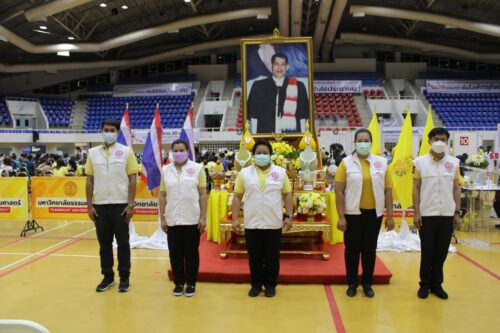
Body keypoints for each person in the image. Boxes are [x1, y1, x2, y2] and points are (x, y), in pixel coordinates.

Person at [334, 128, 394, 298]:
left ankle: (367, 283)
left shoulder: (382, 163)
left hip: (373, 215)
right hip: (352, 214)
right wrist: (341, 216)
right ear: (355, 143)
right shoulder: (345, 163)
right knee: (352, 250)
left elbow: (388, 191)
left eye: (366, 140)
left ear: (371, 142)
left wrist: (390, 216)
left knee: (369, 250)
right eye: (359, 140)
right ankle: (352, 283)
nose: (363, 143)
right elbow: (339, 191)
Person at [231, 140, 294, 298]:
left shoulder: (280, 172)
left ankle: (271, 284)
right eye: (258, 153)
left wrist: (289, 216)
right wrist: (235, 219)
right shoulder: (244, 173)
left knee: (272, 257)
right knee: (254, 256)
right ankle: (256, 284)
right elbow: (237, 196)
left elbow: (287, 194)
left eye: (265, 153)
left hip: (273, 223)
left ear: (270, 155)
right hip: (252, 222)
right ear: (253, 155)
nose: (262, 155)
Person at [85, 118, 139, 293]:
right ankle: (107, 277)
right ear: (101, 131)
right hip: (100, 206)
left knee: (123, 244)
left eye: (112, 130)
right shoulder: (92, 153)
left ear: (117, 132)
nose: (108, 133)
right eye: (106, 130)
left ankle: (124, 277)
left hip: (121, 206)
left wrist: (130, 204)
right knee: (104, 245)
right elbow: (89, 180)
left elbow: (132, 179)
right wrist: (89, 205)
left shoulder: (126, 151)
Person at [413, 127, 461, 300]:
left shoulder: (454, 163)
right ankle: (424, 284)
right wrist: (417, 212)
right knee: (428, 251)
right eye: (436, 139)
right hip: (427, 213)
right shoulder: (419, 162)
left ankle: (437, 284)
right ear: (429, 141)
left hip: (447, 213)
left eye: (443, 139)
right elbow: (416, 188)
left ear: (447, 141)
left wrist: (457, 212)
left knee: (441, 252)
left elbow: (456, 188)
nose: (440, 142)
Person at [159, 139, 208, 297]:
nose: (178, 153)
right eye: (175, 150)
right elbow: (162, 195)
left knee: (191, 253)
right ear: (172, 152)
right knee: (175, 253)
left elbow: (202, 194)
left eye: (181, 150)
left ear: (188, 151)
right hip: (173, 218)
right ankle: (178, 282)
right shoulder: (165, 170)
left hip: (192, 219)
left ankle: (191, 283)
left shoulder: (197, 169)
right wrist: (162, 218)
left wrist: (203, 217)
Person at [247, 53, 309, 133]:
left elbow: (303, 116)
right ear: (271, 66)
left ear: (287, 67)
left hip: (290, 135)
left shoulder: (299, 86)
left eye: (283, 64)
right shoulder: (258, 86)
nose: (279, 68)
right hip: (266, 134)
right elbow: (252, 115)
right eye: (276, 64)